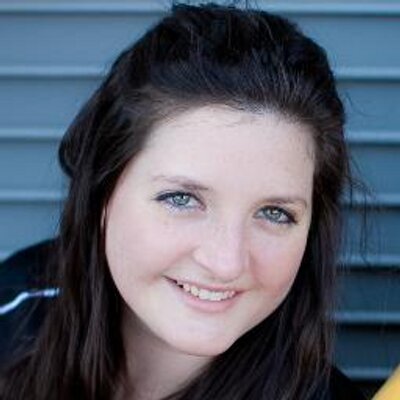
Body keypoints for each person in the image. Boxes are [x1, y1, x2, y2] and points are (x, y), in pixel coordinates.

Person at [0, 3, 367, 399]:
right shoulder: (14, 308)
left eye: (274, 213)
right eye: (182, 199)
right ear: (102, 192)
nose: (226, 263)